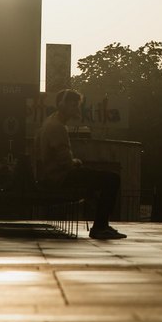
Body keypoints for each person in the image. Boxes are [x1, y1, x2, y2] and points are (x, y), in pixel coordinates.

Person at [34, 89, 126, 240]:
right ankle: (100, 227)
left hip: (53, 175)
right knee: (112, 179)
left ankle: (101, 224)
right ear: (62, 105)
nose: (76, 108)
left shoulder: (50, 122)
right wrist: (76, 162)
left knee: (97, 178)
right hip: (61, 177)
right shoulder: (57, 127)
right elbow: (65, 162)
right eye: (73, 105)